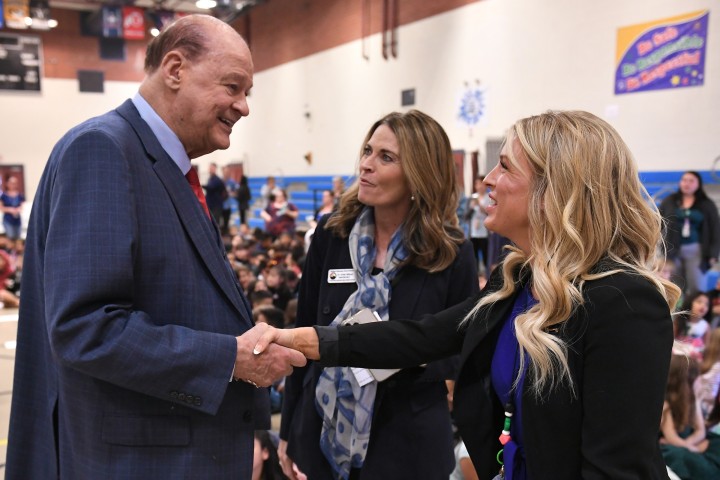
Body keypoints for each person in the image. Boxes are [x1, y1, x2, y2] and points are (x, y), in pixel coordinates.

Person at [256, 110, 681, 479]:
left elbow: (615, 467)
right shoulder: (517, 278)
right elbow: (422, 336)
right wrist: (302, 339)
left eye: (505, 167)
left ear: (554, 190)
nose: (488, 180)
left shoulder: (624, 302)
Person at [6, 14, 306, 480]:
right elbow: (84, 327)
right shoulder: (103, 150)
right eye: (232, 87)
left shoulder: (162, 163)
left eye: (247, 93)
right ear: (174, 69)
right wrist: (231, 357)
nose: (243, 106)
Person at [278, 110, 479, 480]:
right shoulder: (332, 233)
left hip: (406, 442)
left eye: (385, 157)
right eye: (368, 151)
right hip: (322, 430)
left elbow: (459, 354)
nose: (366, 165)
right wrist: (288, 430)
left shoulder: (451, 251)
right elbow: (303, 331)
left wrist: (384, 352)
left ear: (419, 173)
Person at [660, 171, 720, 297]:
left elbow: (715, 230)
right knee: (674, 287)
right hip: (672, 249)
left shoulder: (707, 204)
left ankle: (695, 314)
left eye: (691, 181)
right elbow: (658, 222)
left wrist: (713, 254)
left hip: (696, 250)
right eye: (684, 180)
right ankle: (676, 315)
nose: (687, 183)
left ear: (698, 184)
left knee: (696, 285)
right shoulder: (669, 201)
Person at [463, 175, 489, 274]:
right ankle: (476, 276)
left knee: (486, 256)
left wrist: (480, 206)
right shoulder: (472, 198)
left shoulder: (489, 198)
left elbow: (490, 214)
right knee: (474, 257)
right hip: (473, 232)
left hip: (485, 232)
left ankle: (487, 276)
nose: (480, 186)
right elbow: (465, 216)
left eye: (482, 184)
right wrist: (472, 207)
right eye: (478, 184)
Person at [0, 175, 25, 251]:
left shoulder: (19, 195)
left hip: (17, 220)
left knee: (17, 238)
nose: (13, 185)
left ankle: (16, 254)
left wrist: (17, 209)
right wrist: (10, 210)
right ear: (7, 184)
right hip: (8, 220)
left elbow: (22, 206)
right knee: (10, 237)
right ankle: (10, 253)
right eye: (11, 183)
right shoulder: (3, 196)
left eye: (14, 183)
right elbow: (1, 207)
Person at [204, 162, 227, 227]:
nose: (210, 169)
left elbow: (211, 188)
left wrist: (200, 186)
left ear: (215, 169)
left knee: (215, 223)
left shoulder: (217, 179)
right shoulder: (210, 179)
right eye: (209, 168)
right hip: (211, 205)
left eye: (211, 168)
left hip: (216, 206)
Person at [222, 165, 239, 234]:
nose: (226, 173)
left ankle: (226, 234)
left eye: (227, 172)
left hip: (227, 205)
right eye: (225, 172)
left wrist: (231, 193)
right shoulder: (220, 181)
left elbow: (237, 191)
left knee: (226, 222)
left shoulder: (232, 182)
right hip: (220, 206)